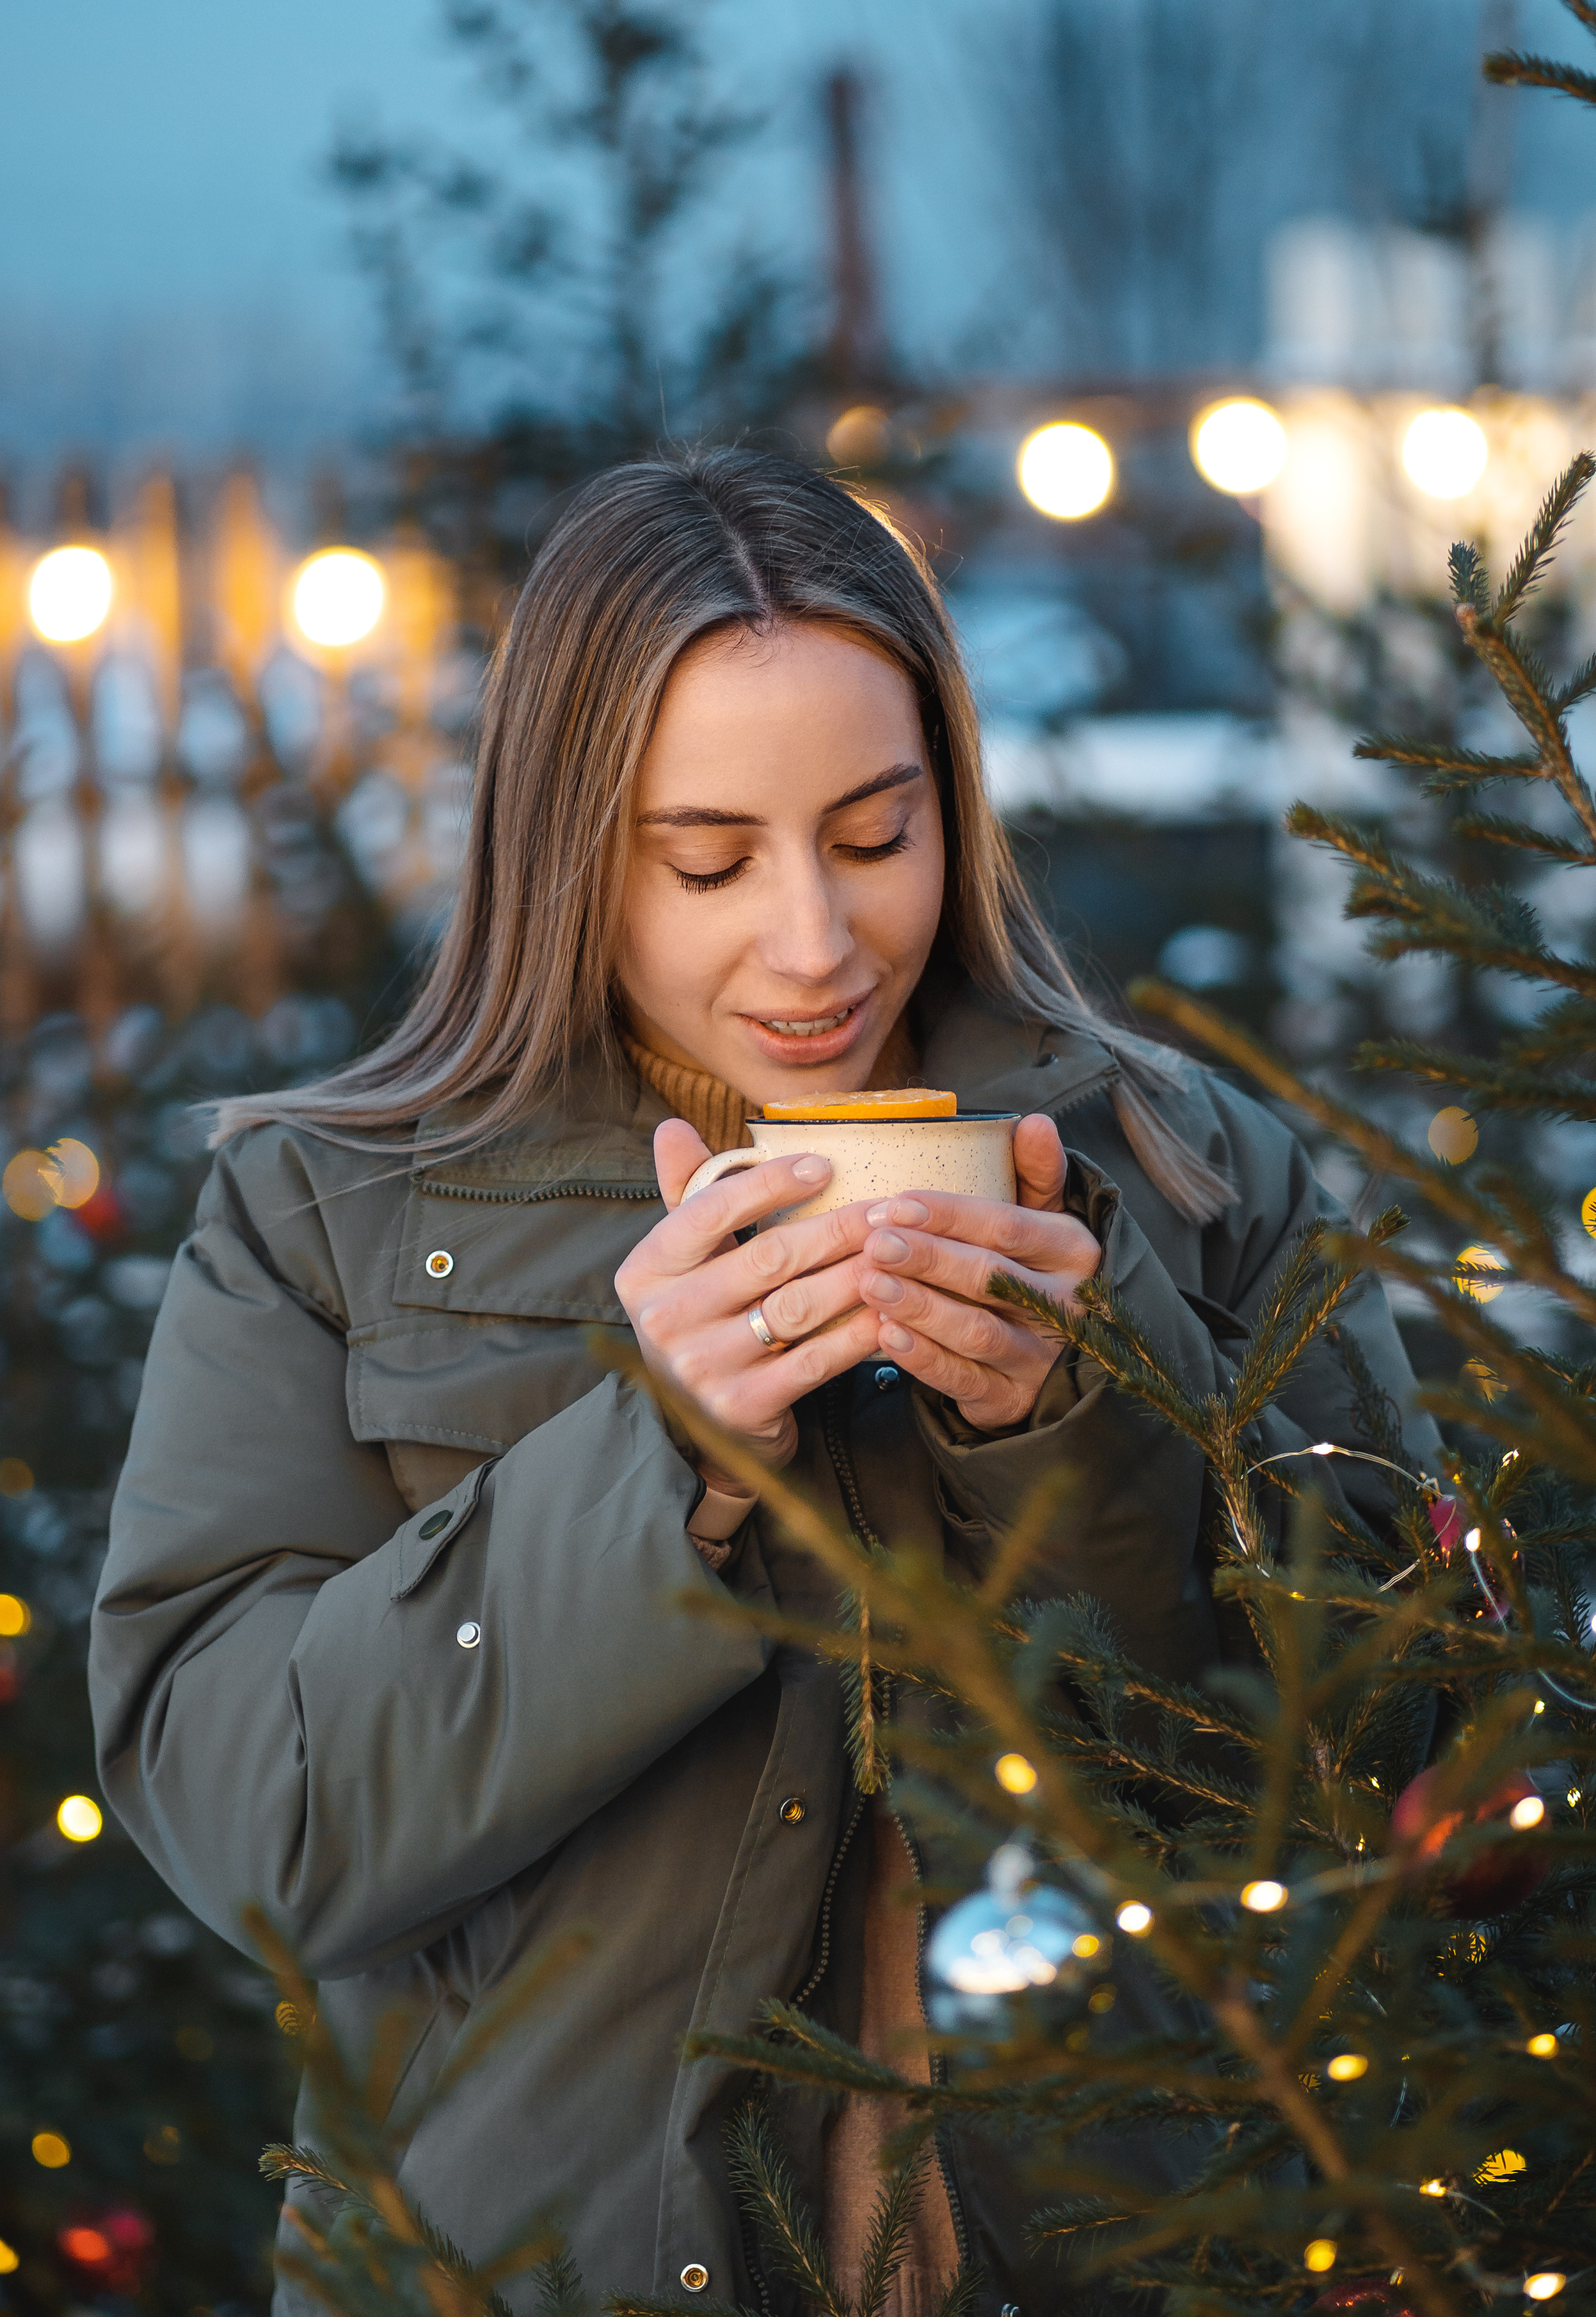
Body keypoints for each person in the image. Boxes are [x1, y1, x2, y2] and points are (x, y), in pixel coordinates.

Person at [89, 449, 1429, 2317]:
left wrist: (1081, 1420)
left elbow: (1391, 1763)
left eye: (876, 836)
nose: (814, 943)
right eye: (706, 859)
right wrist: (664, 1462)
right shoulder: (326, 1215)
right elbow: (260, 1833)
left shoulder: (1191, 1176)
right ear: (570, 844)